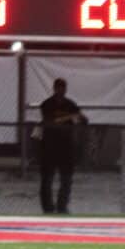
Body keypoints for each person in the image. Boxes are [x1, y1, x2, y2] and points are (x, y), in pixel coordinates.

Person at [38, 78, 87, 215]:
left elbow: (82, 120)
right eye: (58, 88)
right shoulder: (47, 104)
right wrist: (67, 118)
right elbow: (49, 121)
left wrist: (78, 117)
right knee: (47, 179)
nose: (60, 91)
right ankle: (48, 208)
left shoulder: (70, 105)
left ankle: (62, 206)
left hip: (66, 147)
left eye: (63, 88)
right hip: (49, 146)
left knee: (66, 179)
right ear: (54, 89)